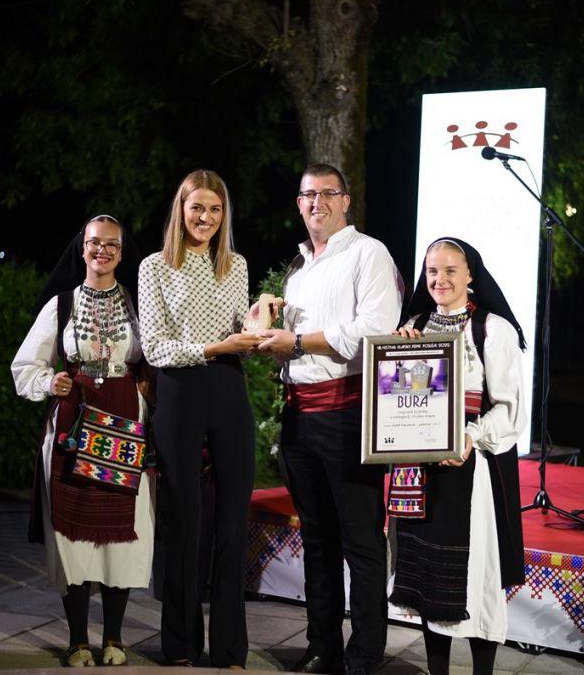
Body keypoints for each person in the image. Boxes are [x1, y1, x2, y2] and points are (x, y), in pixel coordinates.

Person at [257, 163, 403, 675]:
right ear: (298, 204)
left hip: (348, 413)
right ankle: (323, 647)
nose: (316, 202)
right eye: (308, 195)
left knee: (361, 541)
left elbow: (375, 330)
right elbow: (290, 351)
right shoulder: (298, 270)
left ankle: (364, 655)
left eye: (327, 193)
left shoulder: (368, 253)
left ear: (345, 201)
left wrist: (296, 341)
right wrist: (263, 333)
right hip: (298, 415)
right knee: (317, 540)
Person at [11, 214, 153, 667]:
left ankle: (114, 638)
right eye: (94, 242)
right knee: (71, 536)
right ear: (82, 247)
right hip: (74, 426)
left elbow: (158, 357)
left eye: (111, 244)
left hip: (126, 425)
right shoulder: (62, 305)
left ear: (122, 252)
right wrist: (49, 382)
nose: (102, 250)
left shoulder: (138, 303)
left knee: (124, 537)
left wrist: (148, 383)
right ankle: (76, 639)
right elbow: (24, 366)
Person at [388, 237, 527, 675]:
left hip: (472, 468)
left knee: (476, 577)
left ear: (470, 276)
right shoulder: (413, 326)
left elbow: (509, 409)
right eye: (432, 271)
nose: (439, 279)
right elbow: (399, 396)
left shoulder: (493, 330)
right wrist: (398, 353)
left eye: (450, 270)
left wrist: (470, 436)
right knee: (428, 576)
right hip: (420, 471)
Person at [138, 169, 259, 669]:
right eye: (197, 208)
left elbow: (240, 336)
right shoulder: (154, 267)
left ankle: (229, 647)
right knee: (183, 521)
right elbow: (155, 347)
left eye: (214, 209)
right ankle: (180, 643)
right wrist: (214, 347)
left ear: (223, 214)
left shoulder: (236, 264)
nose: (205, 217)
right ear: (181, 210)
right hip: (179, 393)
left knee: (232, 522)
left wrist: (257, 329)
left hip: (229, 388)